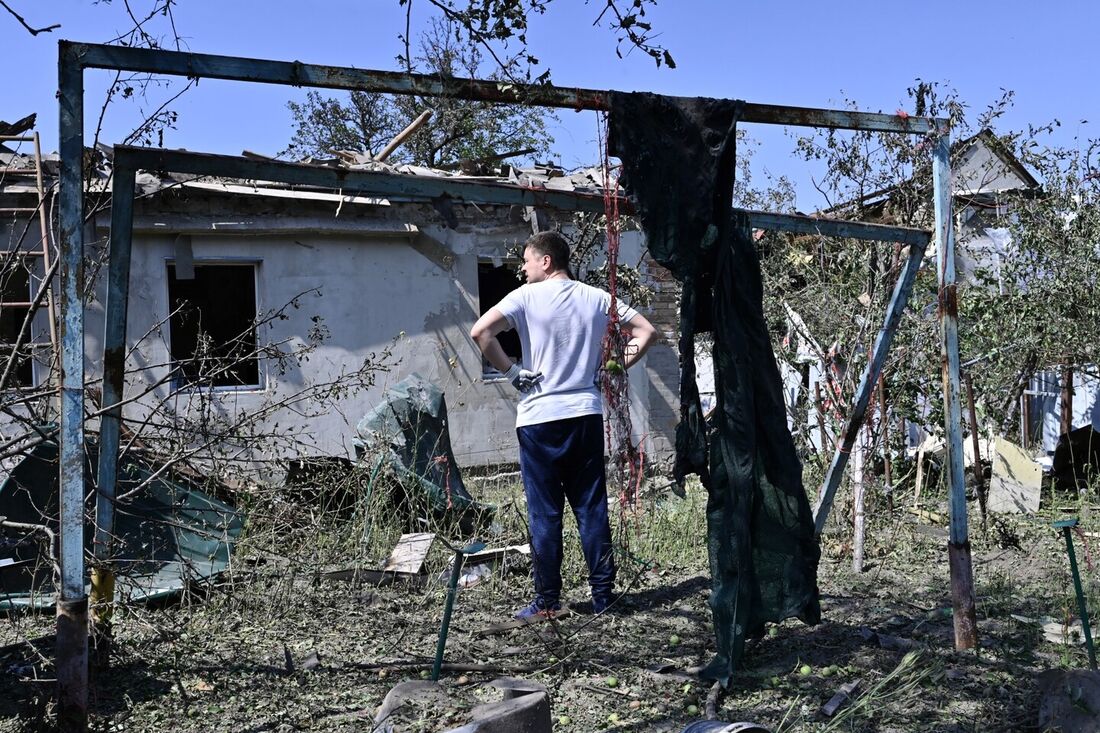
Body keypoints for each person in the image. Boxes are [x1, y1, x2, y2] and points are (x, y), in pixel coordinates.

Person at [470, 231, 658, 619]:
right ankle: (604, 597)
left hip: (539, 418)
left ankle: (547, 601)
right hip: (584, 413)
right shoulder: (596, 298)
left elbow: (480, 332)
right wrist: (616, 365)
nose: (521, 269)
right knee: (590, 508)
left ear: (546, 261)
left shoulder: (523, 298)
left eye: (526, 260)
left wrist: (511, 371)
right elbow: (647, 332)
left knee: (545, 513)